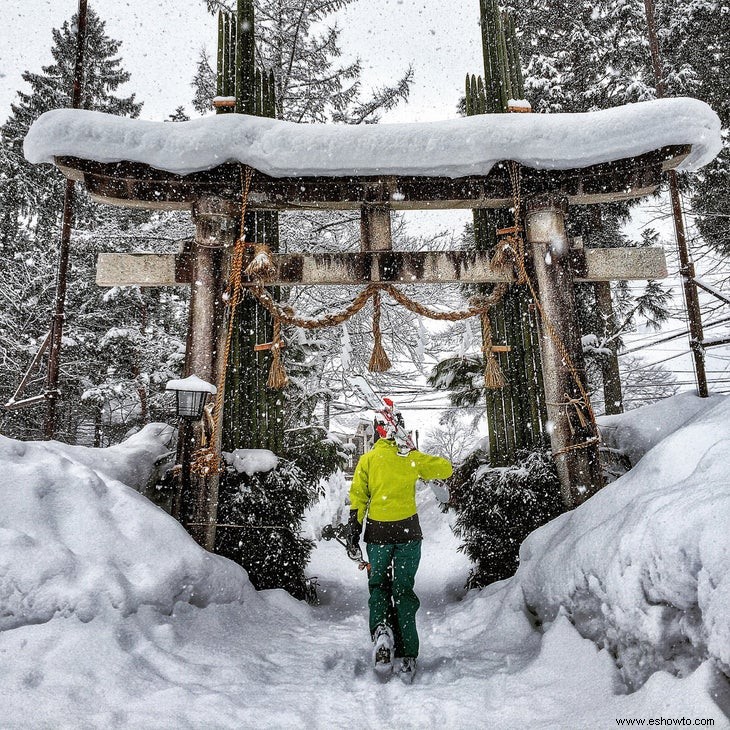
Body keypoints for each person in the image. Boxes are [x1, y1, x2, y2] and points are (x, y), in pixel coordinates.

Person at [346, 403, 453, 683]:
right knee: (403, 590)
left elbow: (358, 498)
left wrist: (353, 531)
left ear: (378, 433)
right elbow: (446, 468)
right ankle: (407, 655)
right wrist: (413, 452)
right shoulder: (411, 458)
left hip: (378, 534)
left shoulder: (368, 460)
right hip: (408, 533)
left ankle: (382, 631)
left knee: (379, 585)